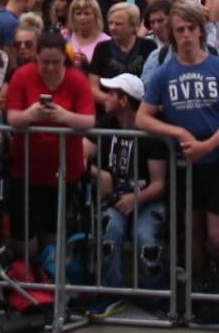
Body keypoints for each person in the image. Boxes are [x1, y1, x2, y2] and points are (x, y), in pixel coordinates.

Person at [137, 0, 219, 272]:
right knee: (192, 231)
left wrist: (207, 145)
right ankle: (196, 289)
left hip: (217, 161)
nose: (185, 35)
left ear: (200, 31)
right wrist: (178, 131)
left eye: (190, 29)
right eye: (179, 30)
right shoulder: (163, 73)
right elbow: (142, 117)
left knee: (217, 236)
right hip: (184, 162)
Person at [4, 30, 95, 251]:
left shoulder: (77, 79)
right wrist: (31, 115)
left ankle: (48, 277)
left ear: (64, 57)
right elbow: (12, 117)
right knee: (24, 232)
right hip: (25, 168)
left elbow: (89, 120)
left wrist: (64, 116)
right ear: (36, 57)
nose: (50, 68)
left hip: (63, 170)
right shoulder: (22, 75)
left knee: (52, 232)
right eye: (45, 62)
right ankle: (27, 276)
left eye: (55, 62)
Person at [93, 74, 168, 309]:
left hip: (147, 201)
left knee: (146, 239)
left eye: (112, 93)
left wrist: (136, 198)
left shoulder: (151, 133)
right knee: (109, 230)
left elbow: (159, 183)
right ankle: (111, 293)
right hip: (114, 201)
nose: (105, 97)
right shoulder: (105, 124)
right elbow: (79, 156)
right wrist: (98, 173)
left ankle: (155, 294)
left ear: (124, 101)